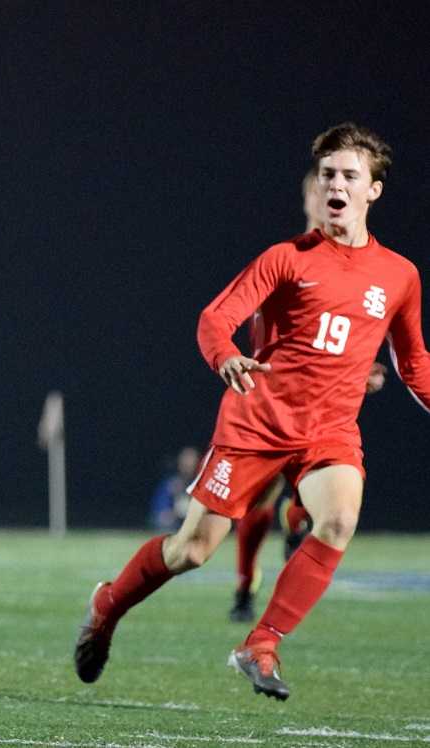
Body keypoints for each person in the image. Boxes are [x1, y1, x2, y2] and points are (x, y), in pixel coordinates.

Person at [73, 123, 430, 701]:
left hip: (329, 431)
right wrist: (227, 357)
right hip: (256, 424)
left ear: (374, 191)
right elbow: (216, 317)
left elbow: (414, 364)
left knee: (339, 517)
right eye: (329, 174)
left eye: (350, 175)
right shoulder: (286, 259)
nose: (335, 184)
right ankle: (108, 604)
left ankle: (261, 644)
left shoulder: (400, 275)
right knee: (191, 550)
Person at [228, 171, 388, 623]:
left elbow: (346, 339)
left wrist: (361, 374)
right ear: (307, 199)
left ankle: (296, 531)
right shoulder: (286, 259)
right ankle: (245, 587)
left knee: (330, 500)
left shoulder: (362, 270)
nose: (332, 197)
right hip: (270, 407)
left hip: (324, 415)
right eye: (322, 189)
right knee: (254, 505)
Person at [148, 447, 199, 531]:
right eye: (185, 460)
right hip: (175, 525)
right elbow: (159, 512)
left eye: (191, 461)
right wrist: (174, 513)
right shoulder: (170, 483)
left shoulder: (204, 484)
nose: (187, 464)